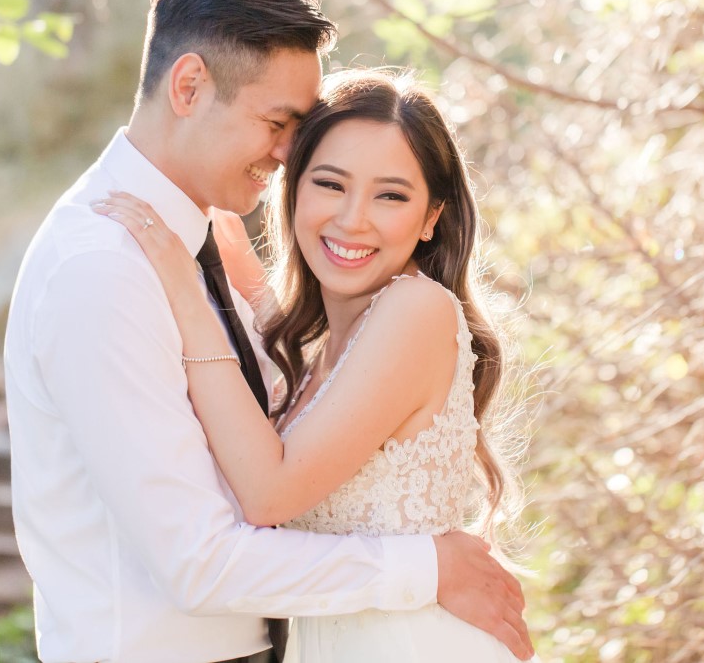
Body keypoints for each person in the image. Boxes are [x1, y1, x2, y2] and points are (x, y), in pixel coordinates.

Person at [3, 0, 532, 663]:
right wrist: (426, 566)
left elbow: (276, 437)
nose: (288, 153)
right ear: (189, 85)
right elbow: (199, 558)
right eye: (279, 123)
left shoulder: (197, 243)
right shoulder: (106, 265)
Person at [92, 66, 534, 662]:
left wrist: (189, 300)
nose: (353, 219)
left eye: (391, 195)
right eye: (330, 184)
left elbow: (270, 493)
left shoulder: (417, 310)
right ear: (293, 190)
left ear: (432, 217)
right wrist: (229, 257)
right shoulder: (340, 339)